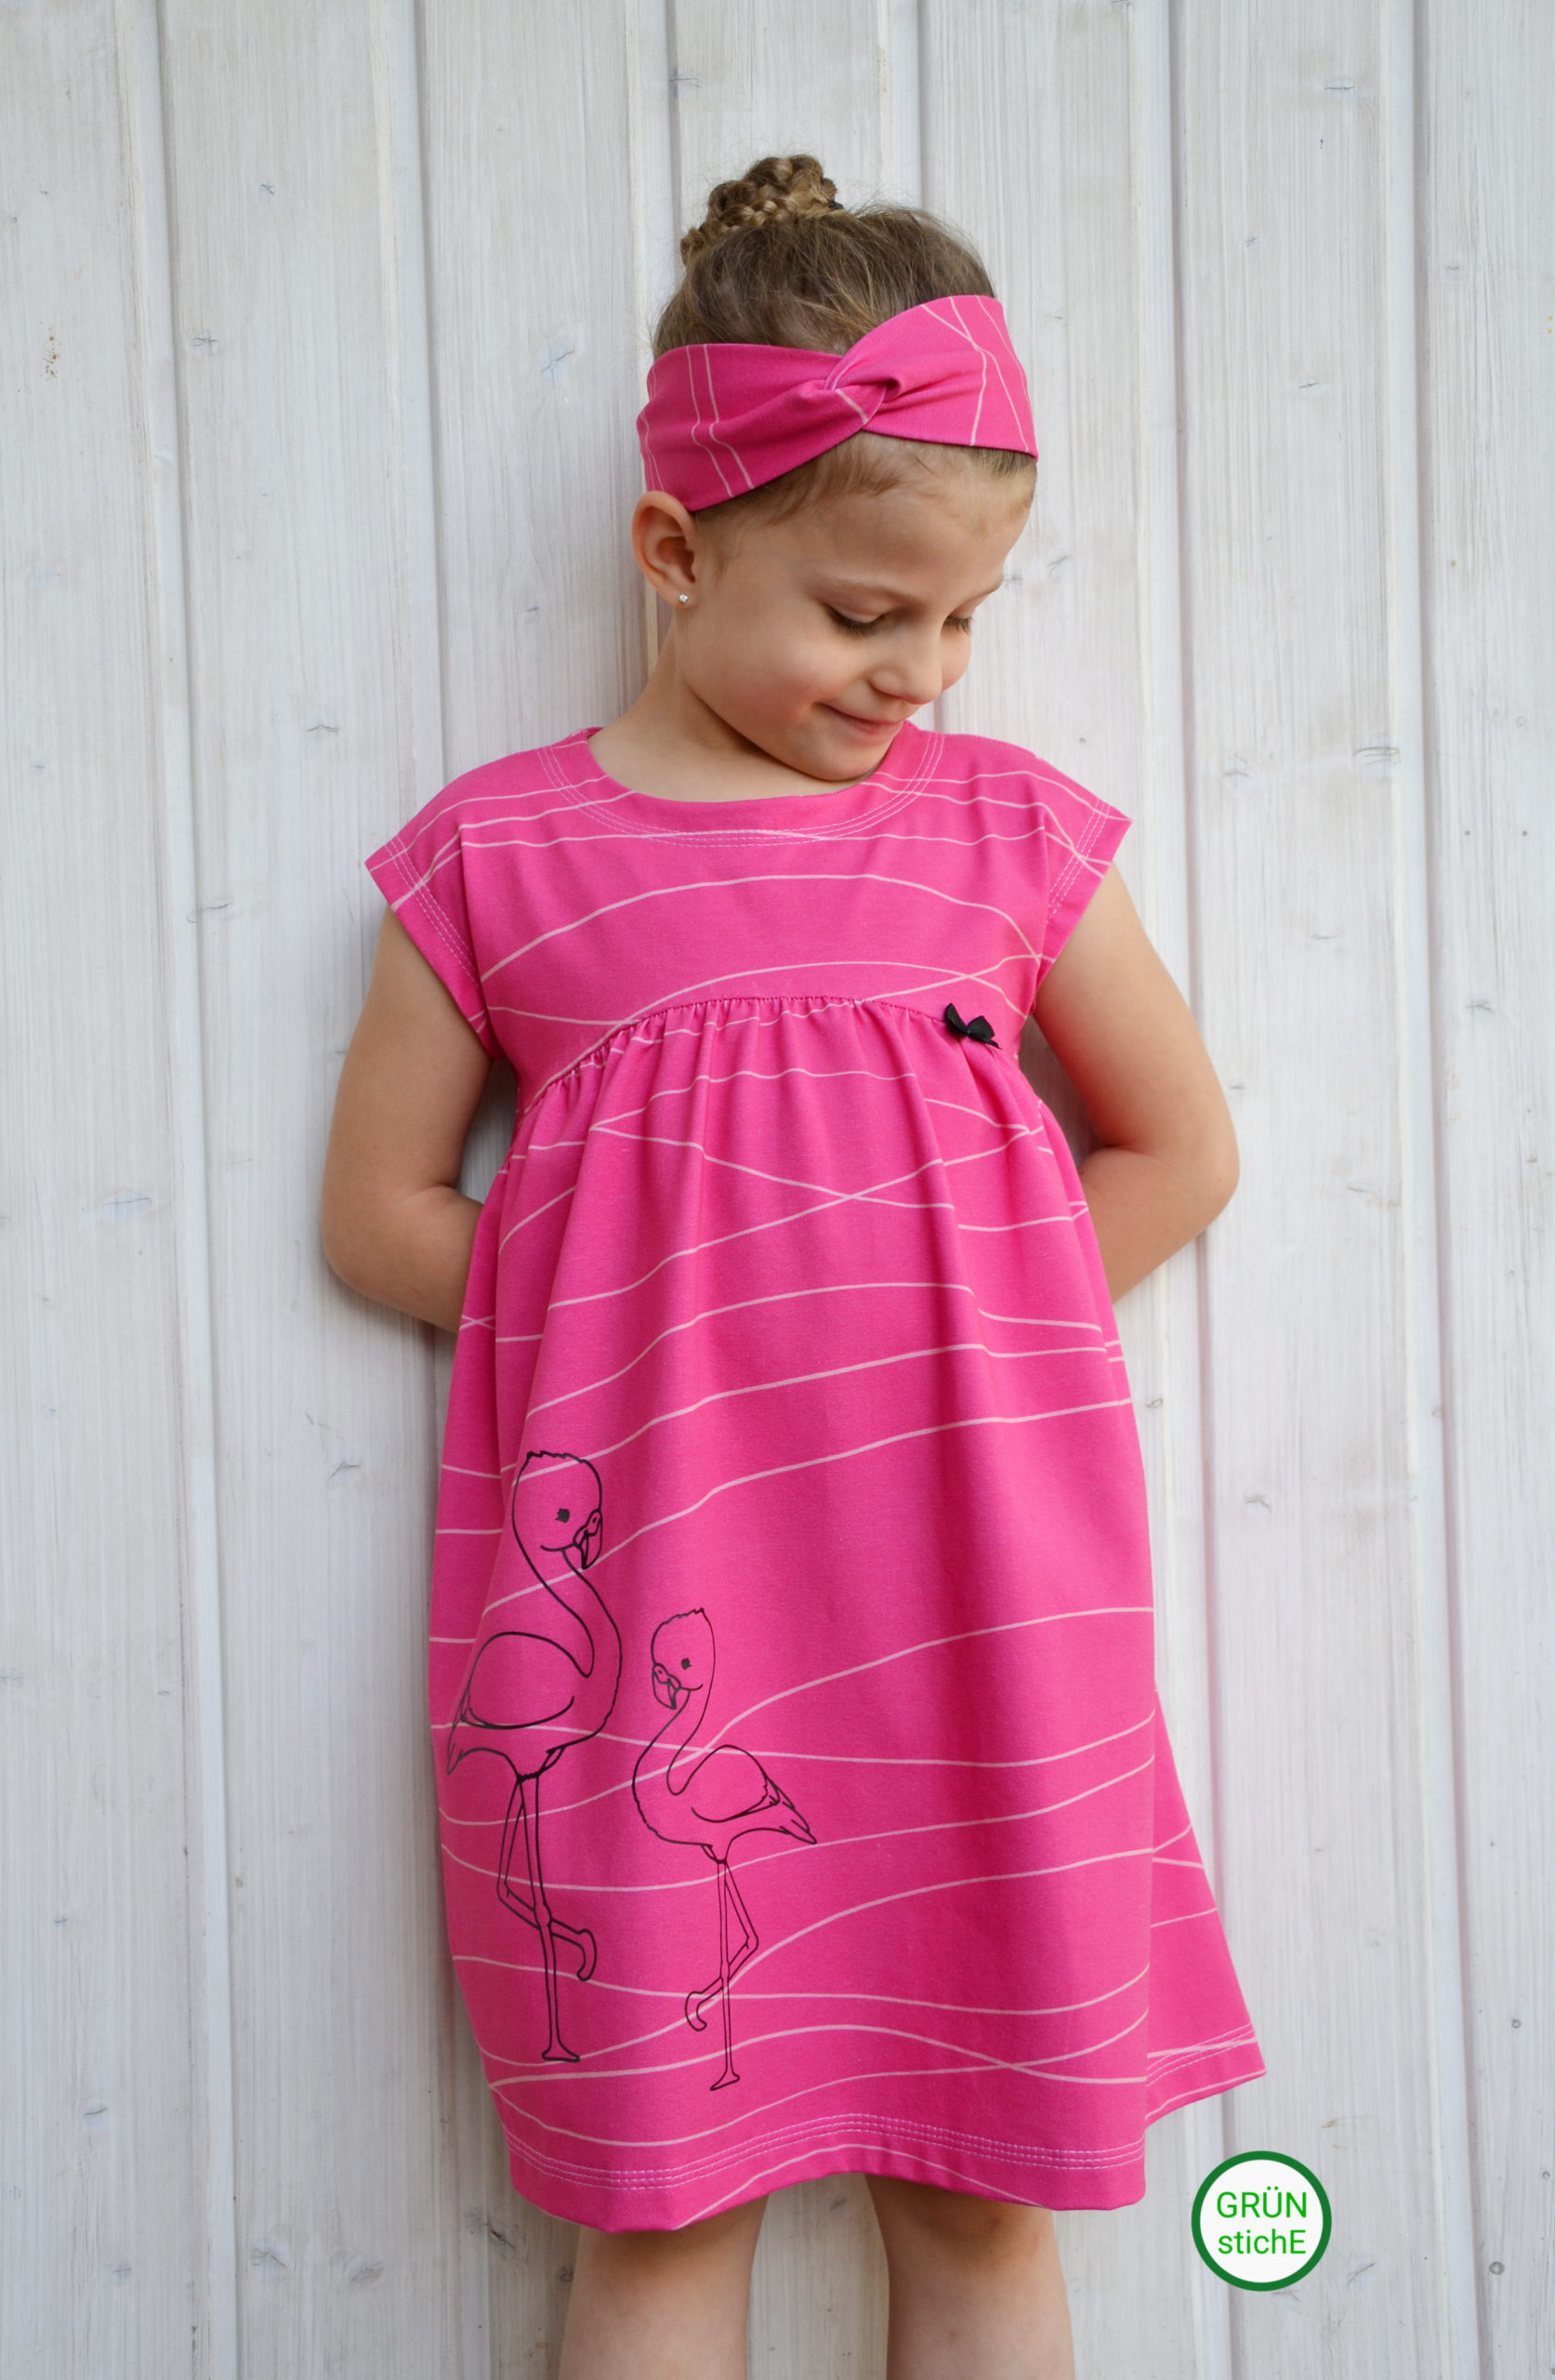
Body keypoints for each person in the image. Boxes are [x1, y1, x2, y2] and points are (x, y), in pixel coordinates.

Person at [322, 154, 1265, 2380]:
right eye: (861, 614)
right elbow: (377, 1213)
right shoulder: (500, 854)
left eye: (961, 620)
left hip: (978, 1613)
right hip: (664, 1620)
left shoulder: (1001, 831)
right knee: (661, 2211)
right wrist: (662, 1332)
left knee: (980, 2196)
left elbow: (1179, 1147)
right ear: (676, 553)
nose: (915, 673)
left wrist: (963, 1323)